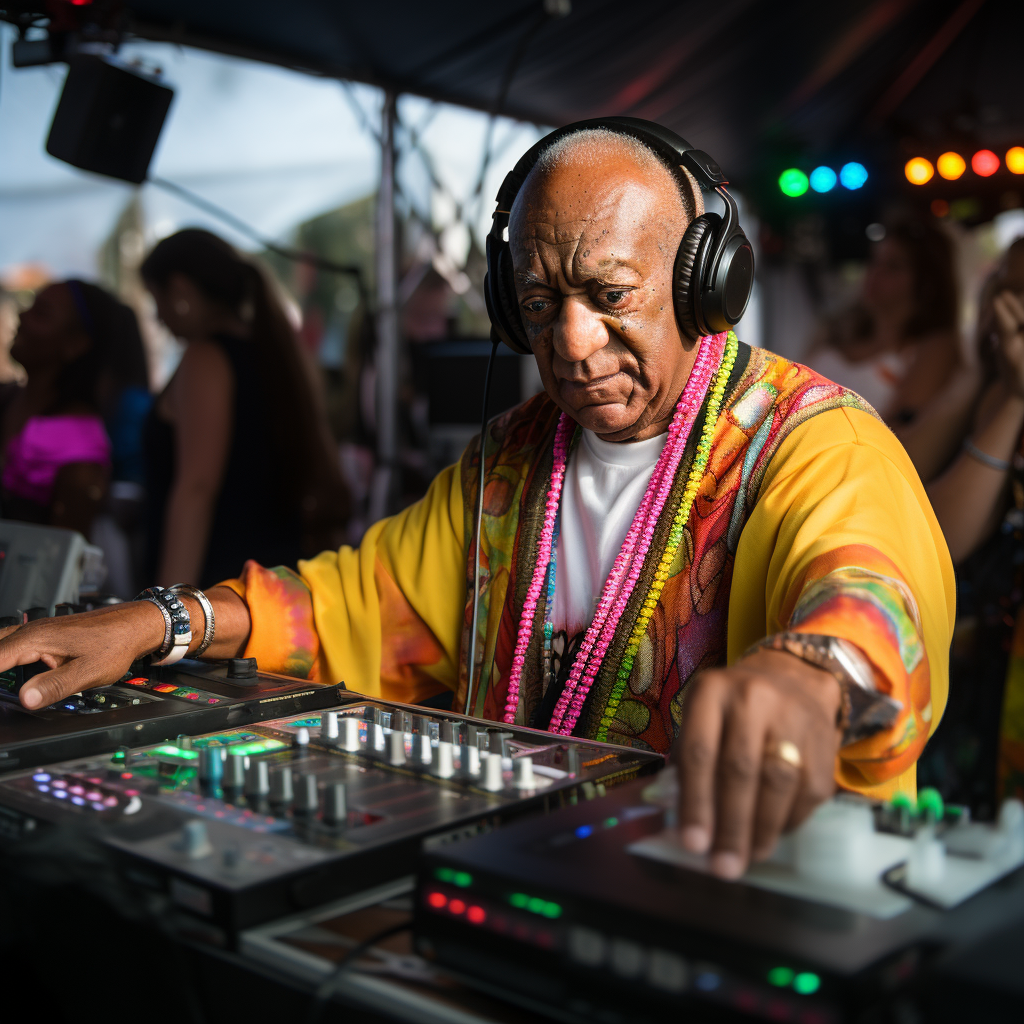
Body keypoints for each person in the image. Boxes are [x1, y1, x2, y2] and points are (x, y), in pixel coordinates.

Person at [0, 123, 953, 881]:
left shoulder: (813, 440)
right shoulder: (509, 456)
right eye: (539, 306)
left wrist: (807, 674)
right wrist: (156, 621)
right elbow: (359, 602)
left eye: (610, 294)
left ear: (705, 280)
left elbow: (872, 595)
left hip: (737, 903)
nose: (574, 345)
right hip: (528, 881)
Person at [138, 229, 349, 588]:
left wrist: (162, 614)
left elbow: (197, 489)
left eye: (156, 299)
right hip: (265, 584)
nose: (158, 317)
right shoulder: (269, 355)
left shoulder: (206, 358)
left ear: (180, 290)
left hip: (219, 592)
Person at [920, 238, 1024, 814]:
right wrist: (1010, 396)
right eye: (1003, 290)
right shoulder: (996, 390)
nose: (1010, 310)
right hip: (986, 674)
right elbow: (938, 537)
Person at [806, 218, 963, 481]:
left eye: (893, 266)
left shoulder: (934, 347)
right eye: (874, 261)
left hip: (856, 477)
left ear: (926, 283)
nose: (875, 273)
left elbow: (900, 438)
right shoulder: (835, 330)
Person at [0, 280, 126, 537]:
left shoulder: (78, 443)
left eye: (41, 313)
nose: (22, 315)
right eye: (30, 306)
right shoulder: (9, 397)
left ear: (76, 344)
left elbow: (62, 560)